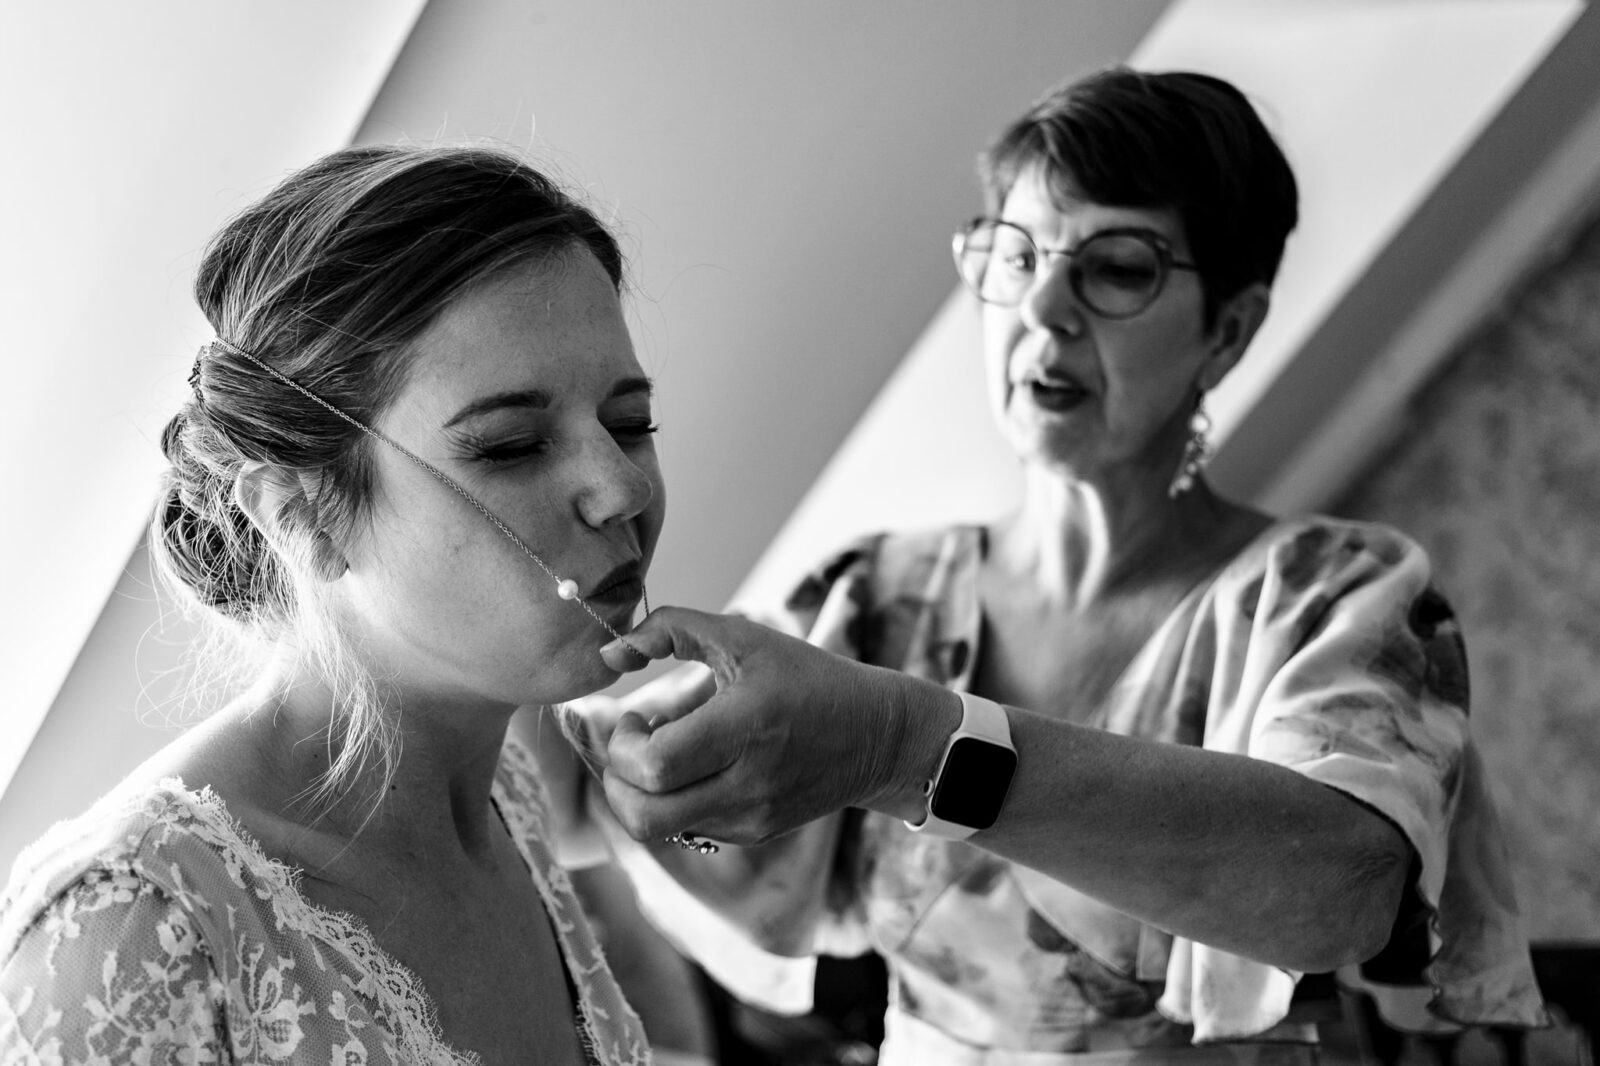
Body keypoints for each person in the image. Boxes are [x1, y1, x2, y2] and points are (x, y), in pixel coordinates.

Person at [552, 68, 1550, 1063]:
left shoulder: (1335, 598)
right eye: (1015, 255)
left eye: (1117, 268)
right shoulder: (876, 595)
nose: (1046, 308)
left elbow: (1344, 892)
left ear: (1229, 332)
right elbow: (582, 776)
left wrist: (909, 746)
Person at [0, 145, 688, 1064]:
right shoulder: (136, 928)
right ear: (301, 514)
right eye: (512, 444)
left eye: (629, 422)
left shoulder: (508, 797)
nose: (620, 488)